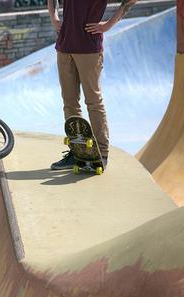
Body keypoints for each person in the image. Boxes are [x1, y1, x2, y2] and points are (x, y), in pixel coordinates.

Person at [48, 0, 137, 170]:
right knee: (69, 102)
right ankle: (77, 152)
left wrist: (109, 24)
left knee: (93, 102)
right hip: (64, 47)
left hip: (89, 49)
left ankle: (101, 153)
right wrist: (54, 18)